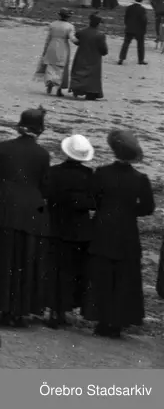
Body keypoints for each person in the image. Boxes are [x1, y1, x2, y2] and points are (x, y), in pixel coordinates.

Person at [83, 129, 156, 338]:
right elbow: (148, 208)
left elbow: (92, 199)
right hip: (127, 231)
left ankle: (100, 320)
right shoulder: (140, 178)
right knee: (124, 277)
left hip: (102, 228)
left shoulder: (102, 172)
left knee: (102, 274)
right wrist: (130, 211)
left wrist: (105, 209)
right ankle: (116, 323)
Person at [0, 107, 50, 328]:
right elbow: (44, 185)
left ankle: (2, 308)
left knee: (4, 260)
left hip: (5, 209)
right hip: (31, 211)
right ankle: (19, 311)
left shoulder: (5, 147)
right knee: (25, 261)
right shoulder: (43, 154)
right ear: (40, 130)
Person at [42, 134, 96, 329]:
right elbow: (93, 202)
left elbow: (46, 194)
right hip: (79, 231)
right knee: (72, 272)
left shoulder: (53, 171)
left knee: (54, 270)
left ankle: (53, 311)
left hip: (55, 226)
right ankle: (64, 310)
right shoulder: (89, 175)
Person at [35, 9, 76, 97]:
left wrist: (45, 50)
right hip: (63, 47)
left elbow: (48, 38)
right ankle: (58, 89)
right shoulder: (70, 26)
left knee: (50, 66)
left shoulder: (53, 24)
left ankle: (49, 83)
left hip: (52, 46)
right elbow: (72, 38)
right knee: (60, 69)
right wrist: (79, 41)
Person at [70, 13, 108, 100]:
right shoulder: (100, 35)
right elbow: (104, 50)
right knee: (92, 76)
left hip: (81, 56)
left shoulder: (81, 32)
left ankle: (77, 89)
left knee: (79, 73)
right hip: (94, 58)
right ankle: (91, 93)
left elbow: (76, 41)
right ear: (98, 24)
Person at [118, 0, 148, 65]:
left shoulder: (129, 8)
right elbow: (144, 20)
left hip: (129, 28)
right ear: (142, 0)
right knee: (140, 45)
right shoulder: (142, 9)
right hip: (139, 30)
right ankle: (140, 60)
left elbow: (126, 18)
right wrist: (144, 29)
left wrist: (127, 25)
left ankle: (121, 58)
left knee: (126, 44)